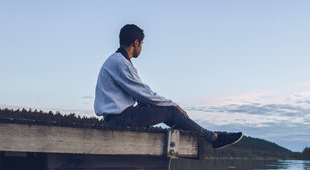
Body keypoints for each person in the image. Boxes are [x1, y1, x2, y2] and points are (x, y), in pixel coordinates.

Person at [94, 24, 243, 150]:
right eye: (142, 45)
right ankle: (214, 139)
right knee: (171, 112)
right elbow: (144, 93)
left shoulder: (117, 61)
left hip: (116, 117)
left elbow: (143, 97)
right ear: (136, 43)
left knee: (164, 110)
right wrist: (174, 105)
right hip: (120, 118)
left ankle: (188, 130)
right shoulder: (120, 62)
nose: (142, 49)